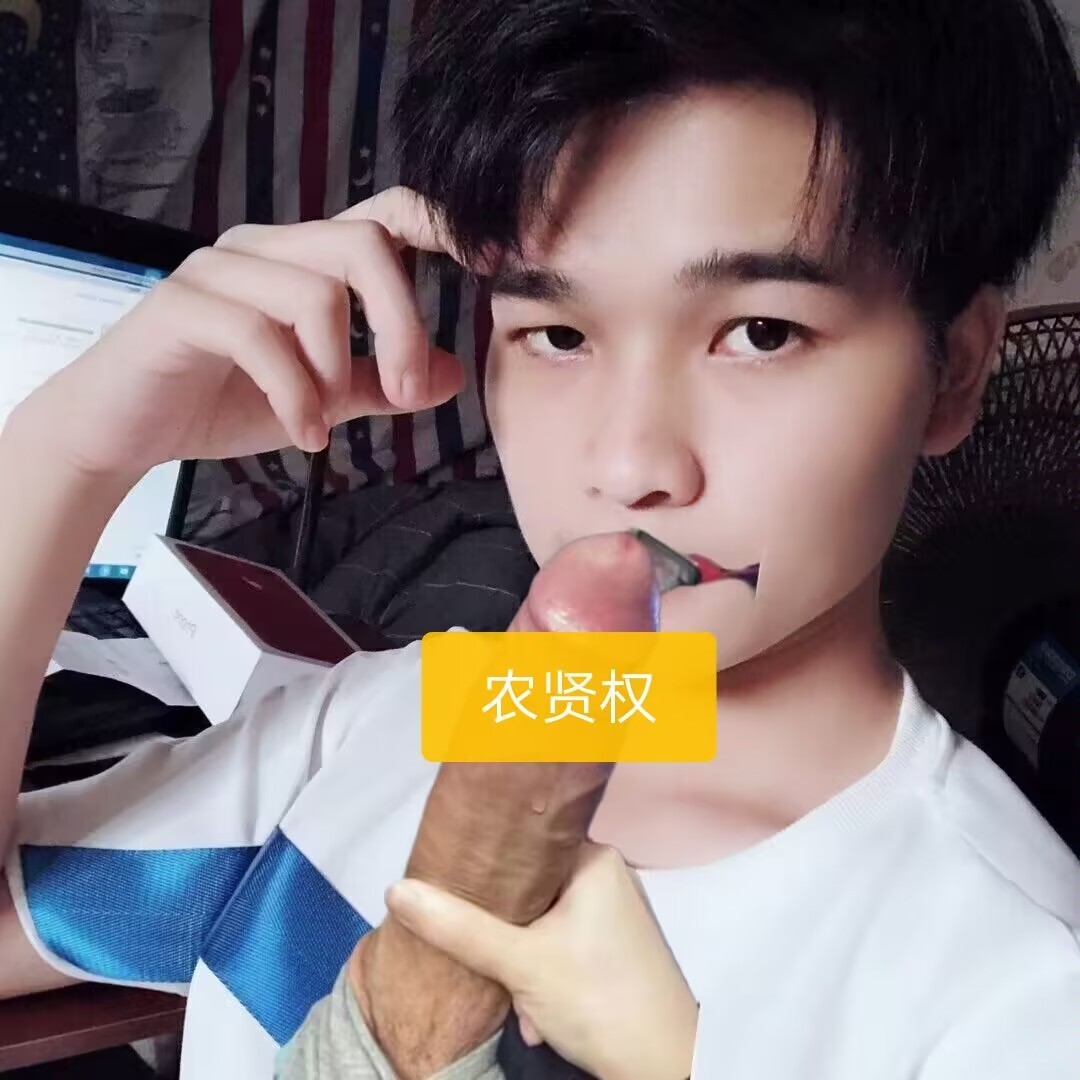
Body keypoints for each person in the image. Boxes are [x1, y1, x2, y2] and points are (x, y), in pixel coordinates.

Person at [1, 0, 1079, 1077]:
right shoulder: (399, 721)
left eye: (761, 333)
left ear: (956, 368)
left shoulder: (1016, 987)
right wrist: (67, 450)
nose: (628, 464)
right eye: (558, 334)